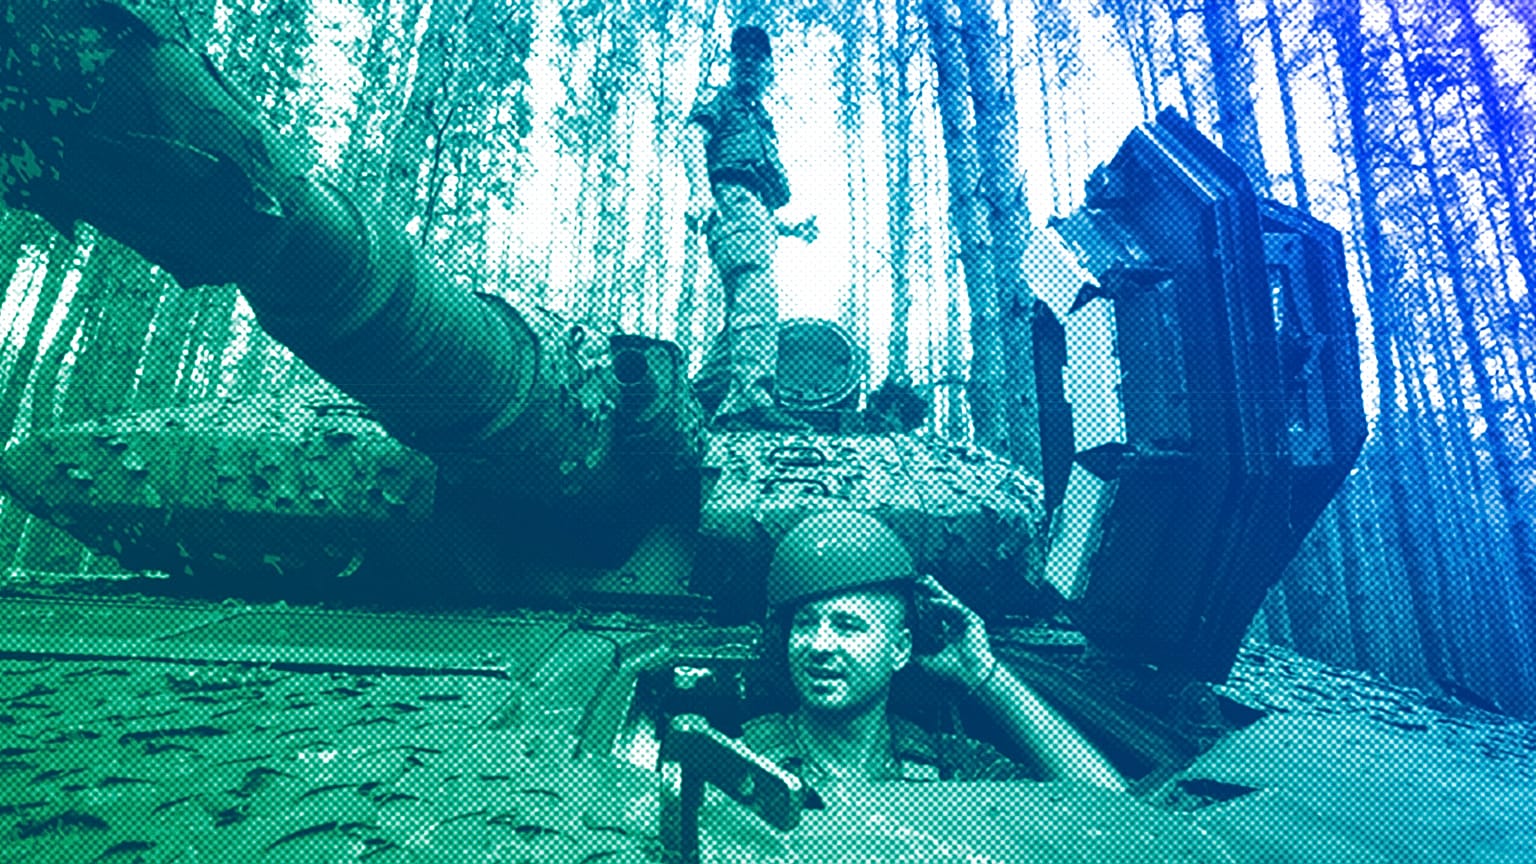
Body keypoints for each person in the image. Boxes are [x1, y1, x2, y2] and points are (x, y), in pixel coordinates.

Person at [744, 510, 1126, 799]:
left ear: (899, 649)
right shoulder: (739, 762)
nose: (819, 644)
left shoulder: (955, 766)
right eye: (806, 623)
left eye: (848, 626)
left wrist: (985, 676)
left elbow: (1113, 810)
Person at [682, 25, 818, 432]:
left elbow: (756, 192)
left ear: (769, 69)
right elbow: (691, 138)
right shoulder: (720, 99)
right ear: (731, 62)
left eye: (758, 56)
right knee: (758, 297)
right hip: (732, 201)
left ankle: (697, 398)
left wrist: (790, 228)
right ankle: (747, 403)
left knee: (743, 313)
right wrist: (699, 193)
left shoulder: (761, 119)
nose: (748, 61)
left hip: (753, 210)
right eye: (740, 54)